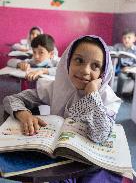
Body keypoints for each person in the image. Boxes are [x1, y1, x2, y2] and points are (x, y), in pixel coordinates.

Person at [3, 35, 124, 183]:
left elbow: (100, 134)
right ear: (68, 61)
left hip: (92, 166)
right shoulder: (56, 86)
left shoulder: (107, 98)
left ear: (103, 73)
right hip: (58, 159)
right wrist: (24, 114)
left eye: (95, 66)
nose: (85, 70)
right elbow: (11, 99)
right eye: (79, 60)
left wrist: (92, 95)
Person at [111, 29, 136, 96]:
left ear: (134, 39)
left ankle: (133, 95)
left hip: (132, 68)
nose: (126, 40)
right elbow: (112, 55)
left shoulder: (135, 49)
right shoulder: (117, 46)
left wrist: (130, 69)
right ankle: (118, 95)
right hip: (121, 68)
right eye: (124, 38)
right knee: (121, 76)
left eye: (129, 38)